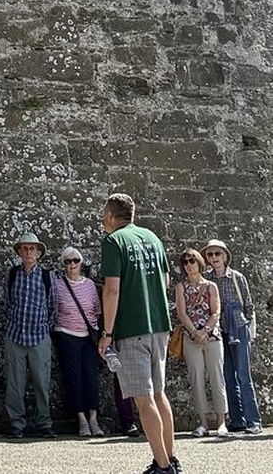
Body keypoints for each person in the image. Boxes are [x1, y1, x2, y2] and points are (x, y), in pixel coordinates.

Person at [98, 193, 179, 474]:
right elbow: (165, 279)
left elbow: (112, 289)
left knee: (143, 400)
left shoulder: (113, 242)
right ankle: (171, 458)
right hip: (159, 324)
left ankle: (163, 466)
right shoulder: (152, 238)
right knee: (159, 394)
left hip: (131, 328)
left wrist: (107, 333)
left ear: (110, 215)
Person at [201, 239, 262, 434]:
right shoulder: (208, 280)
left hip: (238, 327)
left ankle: (253, 421)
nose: (213, 258)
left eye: (217, 254)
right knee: (228, 375)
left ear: (225, 256)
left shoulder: (237, 277)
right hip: (220, 330)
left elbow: (248, 304)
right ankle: (238, 420)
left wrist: (244, 323)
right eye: (210, 255)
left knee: (244, 375)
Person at [3, 232, 56, 439]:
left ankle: (44, 422)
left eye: (31, 249)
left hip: (39, 336)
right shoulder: (13, 274)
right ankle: (17, 423)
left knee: (42, 382)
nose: (28, 252)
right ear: (19, 253)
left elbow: (53, 307)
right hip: (15, 334)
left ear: (38, 253)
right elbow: (7, 303)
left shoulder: (46, 276)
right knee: (15, 383)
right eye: (24, 249)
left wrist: (44, 328)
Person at [174, 248, 226, 437]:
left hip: (212, 337)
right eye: (185, 262)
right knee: (196, 379)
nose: (188, 265)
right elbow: (181, 313)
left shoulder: (211, 286)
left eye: (191, 261)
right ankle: (203, 422)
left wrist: (205, 331)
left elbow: (216, 311)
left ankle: (221, 422)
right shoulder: (181, 287)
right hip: (191, 337)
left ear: (199, 263)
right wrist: (195, 332)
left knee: (217, 377)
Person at [53, 247, 104, 438]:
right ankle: (81, 419)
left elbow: (97, 309)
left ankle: (94, 418)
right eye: (68, 261)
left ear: (81, 263)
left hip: (88, 336)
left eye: (75, 260)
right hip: (66, 335)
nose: (72, 264)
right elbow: (54, 308)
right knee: (73, 378)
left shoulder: (90, 284)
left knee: (91, 376)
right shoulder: (58, 284)